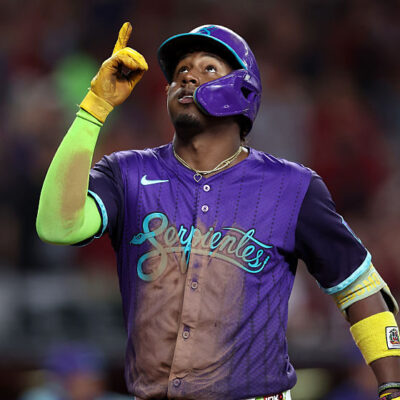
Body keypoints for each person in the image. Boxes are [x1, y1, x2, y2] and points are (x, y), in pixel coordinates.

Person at [36, 22, 400, 400]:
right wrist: (94, 109)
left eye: (208, 68)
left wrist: (392, 386)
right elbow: (58, 227)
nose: (188, 76)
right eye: (180, 72)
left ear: (244, 88)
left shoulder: (293, 186)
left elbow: (359, 287)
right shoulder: (127, 172)